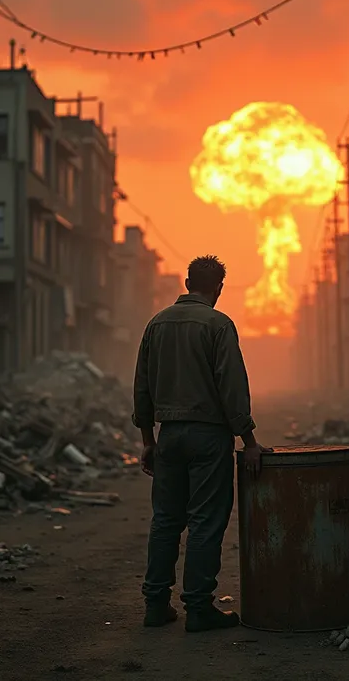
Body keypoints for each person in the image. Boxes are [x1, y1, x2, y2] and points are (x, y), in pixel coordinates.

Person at [132, 255, 266, 633]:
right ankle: (199, 608)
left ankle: (156, 604)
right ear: (218, 288)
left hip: (168, 437)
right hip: (208, 437)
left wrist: (147, 440)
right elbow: (232, 386)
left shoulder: (156, 323)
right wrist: (249, 439)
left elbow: (142, 386)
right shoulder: (219, 324)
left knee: (166, 521)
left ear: (187, 281)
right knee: (206, 522)